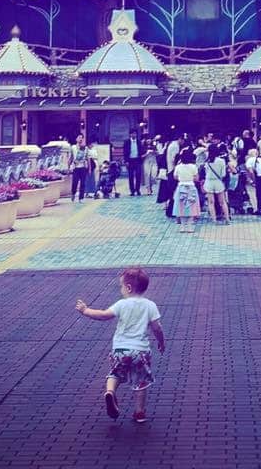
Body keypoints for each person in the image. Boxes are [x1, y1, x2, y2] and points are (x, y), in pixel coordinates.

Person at [75, 266, 165, 425]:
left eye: (121, 286)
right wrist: (161, 342)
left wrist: (85, 310)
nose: (121, 289)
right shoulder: (150, 305)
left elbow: (103, 316)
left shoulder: (121, 304)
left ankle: (110, 392)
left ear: (128, 288)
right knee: (141, 381)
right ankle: (139, 412)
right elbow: (157, 327)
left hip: (120, 350)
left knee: (115, 374)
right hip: (140, 352)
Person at [172, 147, 201, 232]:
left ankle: (182, 226)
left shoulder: (178, 167)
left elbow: (175, 177)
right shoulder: (193, 166)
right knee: (191, 205)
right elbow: (196, 178)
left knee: (181, 206)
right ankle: (190, 226)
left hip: (181, 187)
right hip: (191, 187)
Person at [203, 144, 230, 223]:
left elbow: (206, 173)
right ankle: (227, 219)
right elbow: (223, 174)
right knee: (222, 202)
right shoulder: (221, 161)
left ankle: (214, 219)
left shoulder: (207, 162)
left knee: (211, 202)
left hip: (209, 182)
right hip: (218, 182)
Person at [123, 129, 143, 196]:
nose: (134, 135)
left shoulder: (139, 142)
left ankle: (137, 190)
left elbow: (141, 151)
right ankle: (132, 191)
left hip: (137, 160)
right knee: (131, 176)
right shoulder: (127, 142)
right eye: (132, 134)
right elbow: (125, 152)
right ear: (130, 134)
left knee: (138, 175)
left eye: (135, 133)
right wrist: (126, 161)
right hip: (130, 161)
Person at [70, 134, 89, 202]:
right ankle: (73, 193)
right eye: (79, 137)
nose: (80, 139)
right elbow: (71, 157)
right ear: (76, 139)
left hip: (83, 167)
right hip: (75, 168)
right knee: (75, 182)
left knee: (83, 183)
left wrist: (89, 168)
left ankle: (81, 198)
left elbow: (87, 158)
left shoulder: (85, 148)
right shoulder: (73, 147)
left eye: (82, 138)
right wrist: (68, 166)